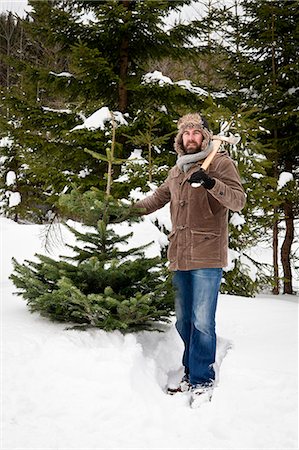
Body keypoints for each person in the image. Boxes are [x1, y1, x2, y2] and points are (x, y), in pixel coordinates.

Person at [135, 113, 246, 406]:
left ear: (205, 136)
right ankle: (190, 369)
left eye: (196, 132)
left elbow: (238, 200)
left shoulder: (220, 163)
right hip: (180, 255)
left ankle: (201, 379)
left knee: (203, 322)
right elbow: (157, 198)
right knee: (184, 321)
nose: (191, 137)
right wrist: (126, 211)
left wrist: (211, 183)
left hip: (207, 255)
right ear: (180, 139)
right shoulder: (177, 171)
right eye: (186, 133)